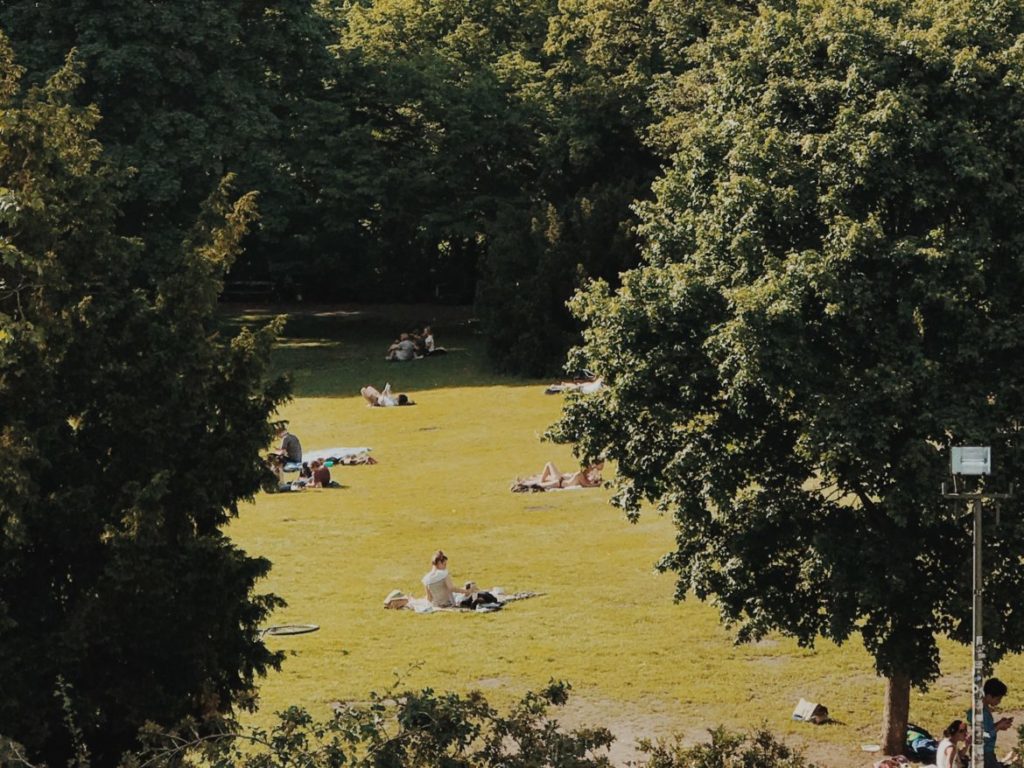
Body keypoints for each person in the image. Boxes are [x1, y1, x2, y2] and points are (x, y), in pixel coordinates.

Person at [968, 678, 1016, 768]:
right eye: (998, 699)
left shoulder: (984, 709)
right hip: (984, 752)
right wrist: (998, 727)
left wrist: (999, 723)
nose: (999, 702)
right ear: (989, 696)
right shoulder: (982, 712)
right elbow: (983, 737)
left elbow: (986, 728)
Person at [511, 461, 604, 492]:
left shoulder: (580, 476)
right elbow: (588, 470)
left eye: (593, 477)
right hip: (560, 480)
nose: (592, 475)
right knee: (549, 464)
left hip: (558, 482)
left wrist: (597, 485)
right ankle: (542, 481)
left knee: (536, 485)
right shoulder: (581, 476)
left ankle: (541, 481)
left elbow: (587, 485)